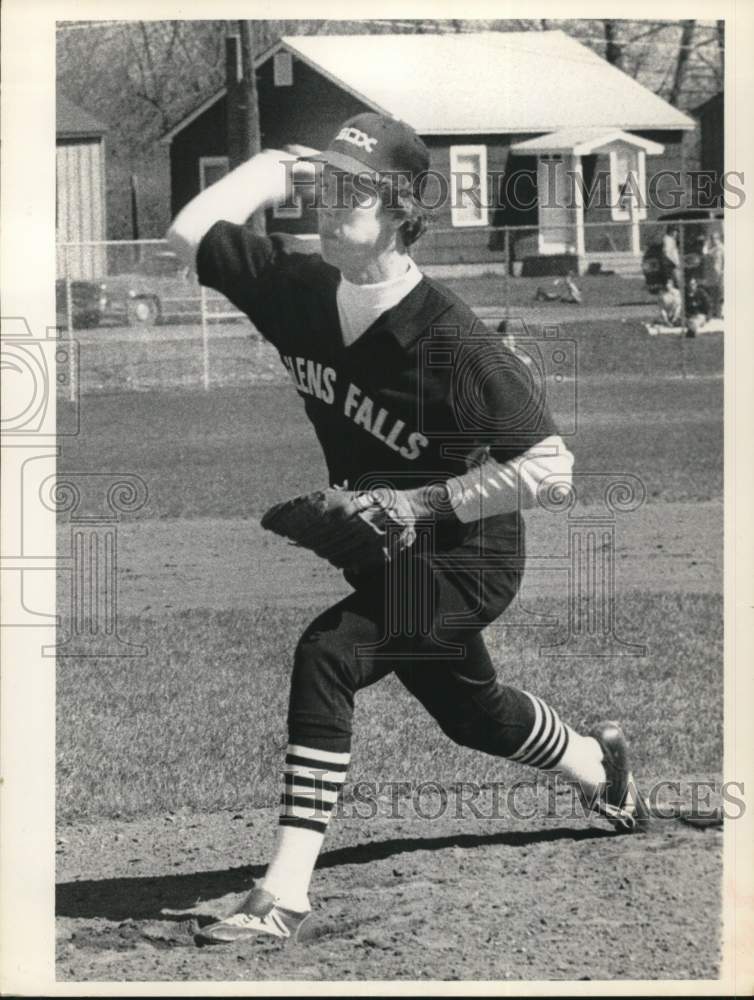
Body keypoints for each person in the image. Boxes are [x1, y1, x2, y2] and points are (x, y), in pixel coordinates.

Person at [167, 112, 649, 946]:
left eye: (348, 192)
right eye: (323, 189)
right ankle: (598, 768)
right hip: (389, 553)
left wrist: (423, 505)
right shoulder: (300, 294)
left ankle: (284, 893)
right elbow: (187, 233)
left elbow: (550, 468)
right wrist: (280, 166)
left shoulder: (453, 343)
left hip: (469, 558)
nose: (327, 206)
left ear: (398, 210)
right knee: (471, 713)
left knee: (330, 654)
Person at [702, 230, 724, 318]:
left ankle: (719, 312)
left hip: (719, 275)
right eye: (712, 239)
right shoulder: (711, 249)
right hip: (711, 275)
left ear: (719, 239)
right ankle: (713, 312)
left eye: (715, 238)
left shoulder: (721, 248)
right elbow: (704, 254)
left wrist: (723, 271)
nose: (714, 240)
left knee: (720, 295)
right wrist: (706, 244)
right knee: (711, 294)